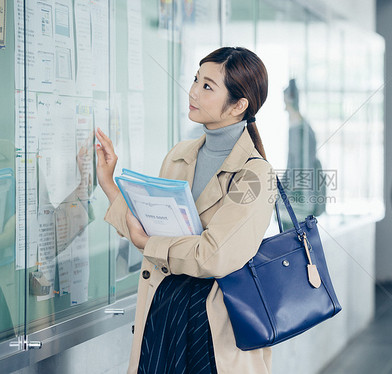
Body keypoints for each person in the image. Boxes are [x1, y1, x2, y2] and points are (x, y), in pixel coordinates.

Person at [95, 47, 277, 374]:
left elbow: (213, 256)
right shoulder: (180, 155)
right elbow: (149, 226)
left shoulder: (256, 175)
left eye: (207, 86)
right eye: (196, 79)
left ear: (238, 105)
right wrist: (109, 183)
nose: (192, 91)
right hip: (163, 314)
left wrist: (149, 244)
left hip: (211, 330)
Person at [282, 79, 325, 225]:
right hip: (302, 194)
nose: (284, 108)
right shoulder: (304, 127)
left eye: (285, 102)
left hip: (299, 198)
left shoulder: (299, 130)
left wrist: (288, 191)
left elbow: (298, 164)